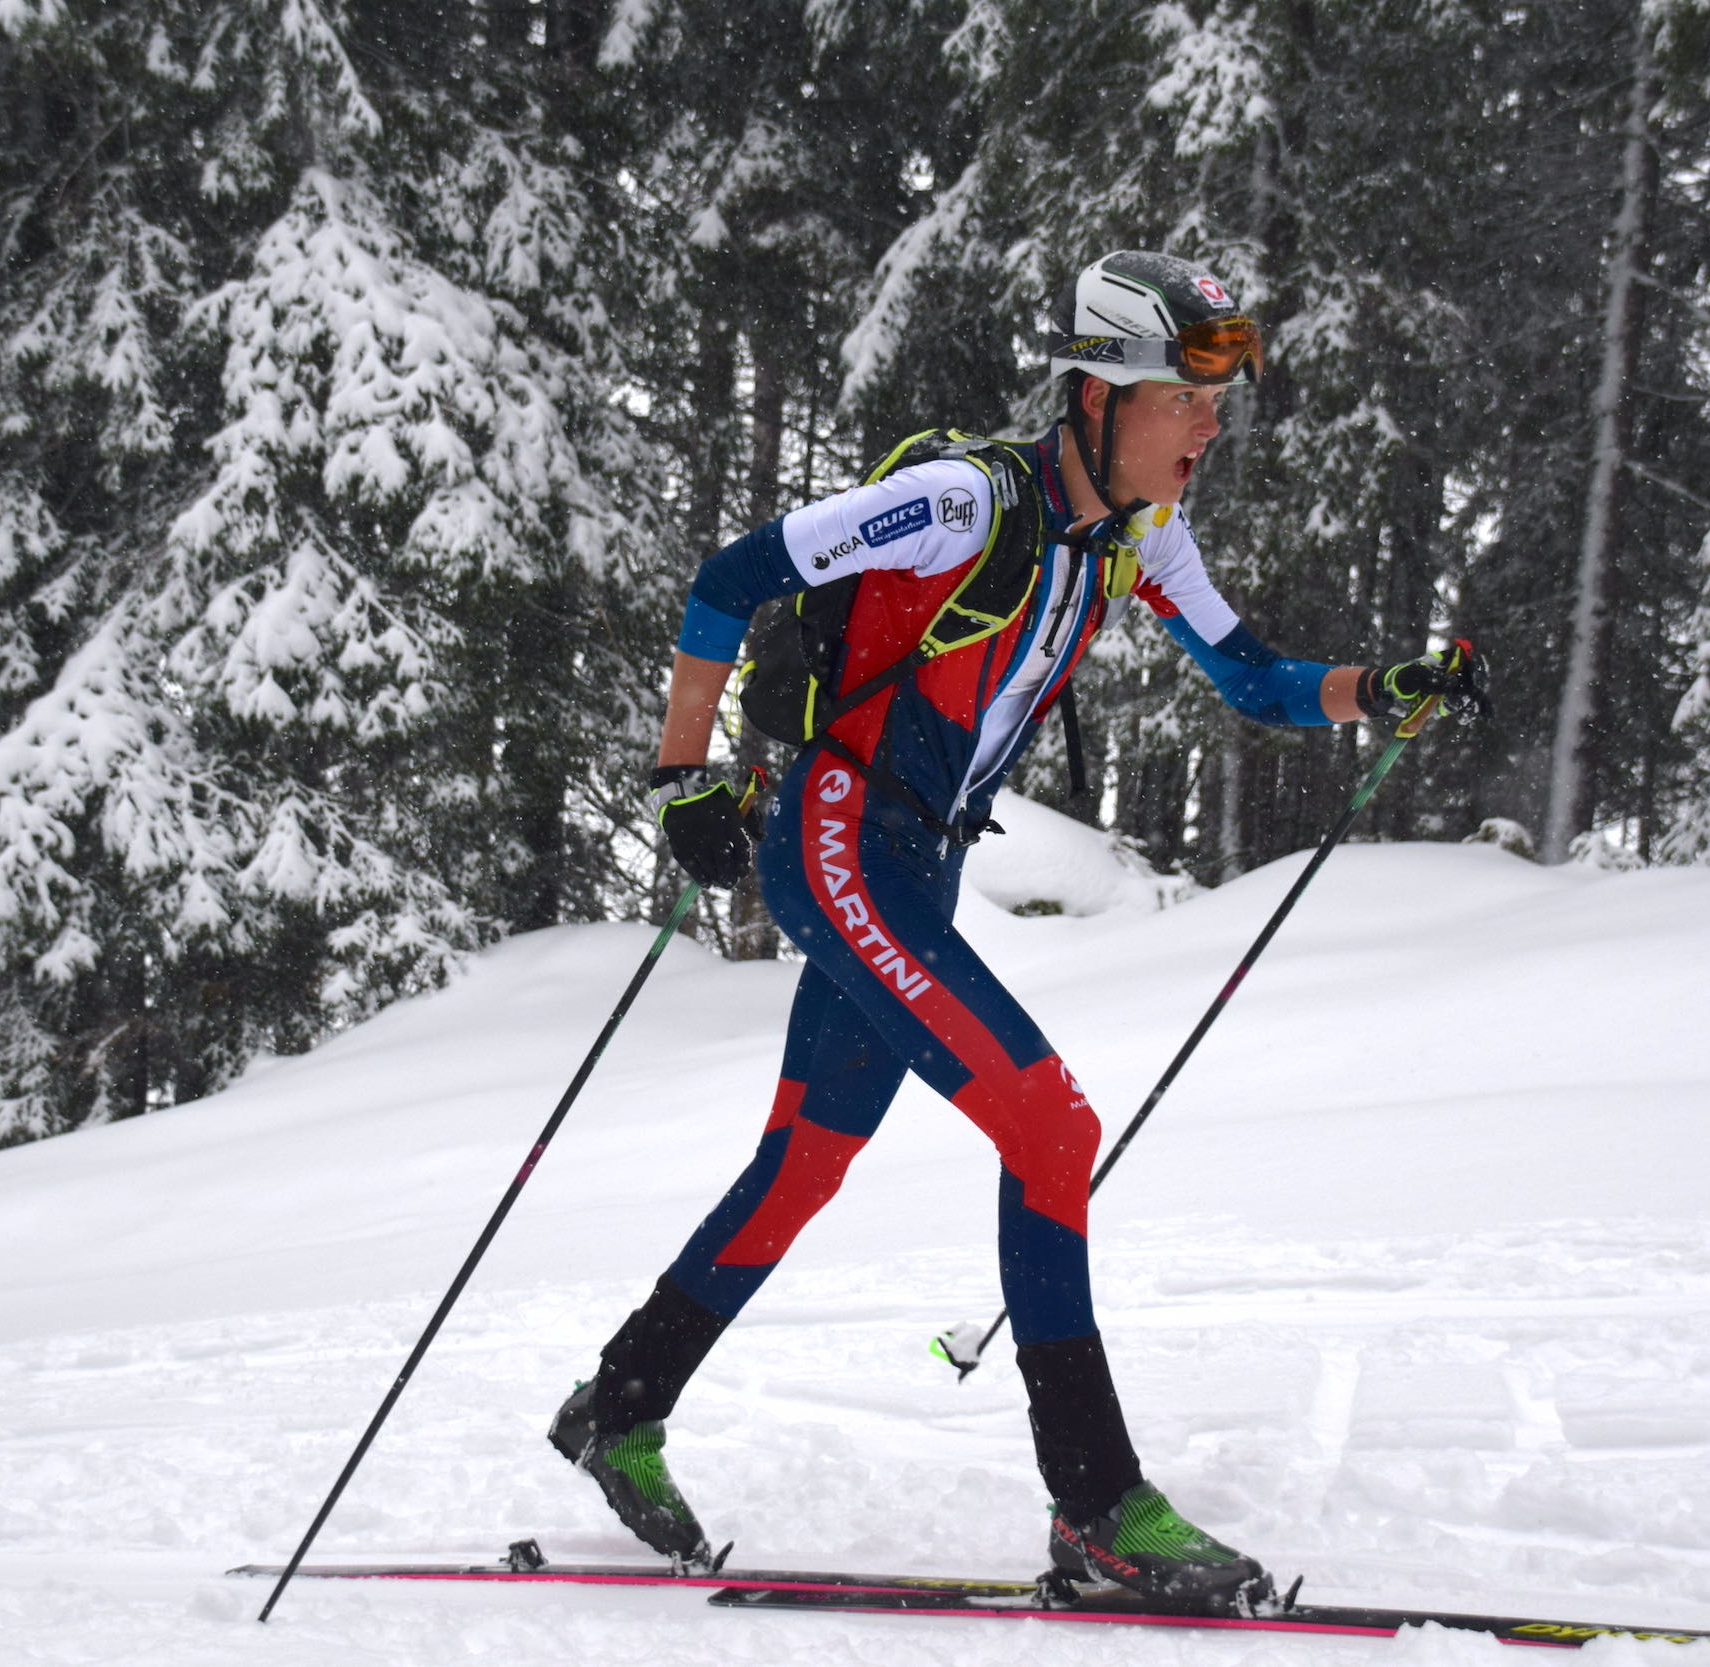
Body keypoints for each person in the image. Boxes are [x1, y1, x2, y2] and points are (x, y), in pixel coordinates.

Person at [549, 250, 1486, 1610]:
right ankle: (1099, 1508)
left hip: (912, 868)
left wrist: (1372, 689)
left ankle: (618, 1407)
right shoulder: (959, 504)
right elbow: (730, 575)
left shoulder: (1141, 537)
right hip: (838, 838)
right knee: (1051, 1128)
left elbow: (1256, 677)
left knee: (808, 1161)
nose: (1209, 429)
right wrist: (684, 774)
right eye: (1187, 400)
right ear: (1102, 394)